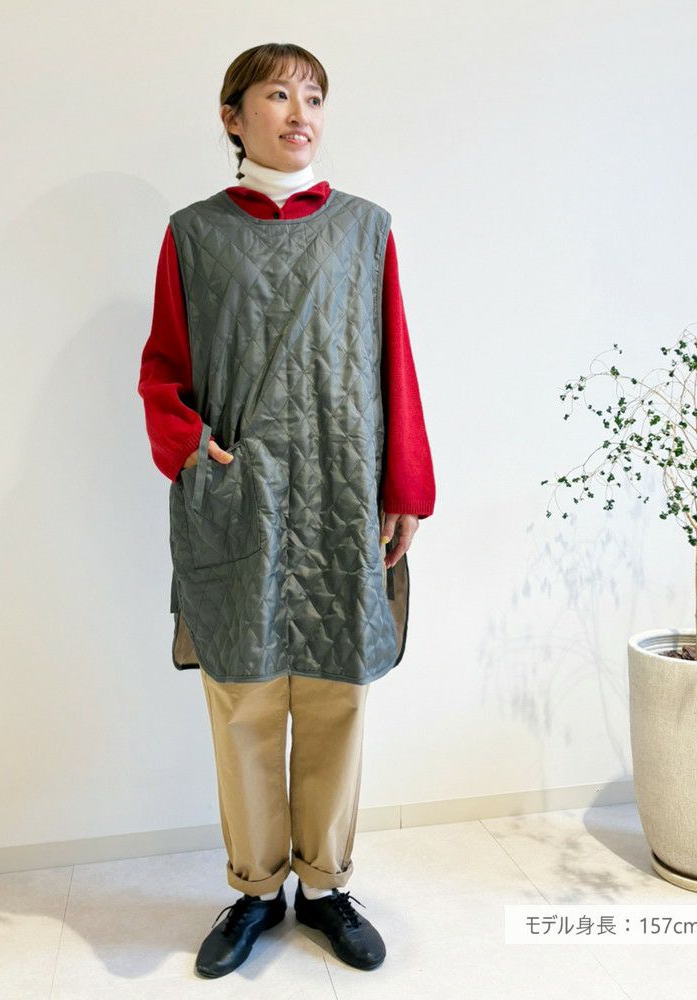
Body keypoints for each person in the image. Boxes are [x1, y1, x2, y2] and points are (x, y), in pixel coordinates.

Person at [137, 42, 435, 979]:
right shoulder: (193, 235)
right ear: (234, 118)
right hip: (244, 501)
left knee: (338, 695)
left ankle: (328, 885)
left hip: (344, 494)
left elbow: (395, 361)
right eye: (277, 94)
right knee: (246, 700)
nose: (300, 112)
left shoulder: (365, 229)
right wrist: (192, 446)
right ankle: (256, 889)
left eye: (314, 96)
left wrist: (407, 486)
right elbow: (164, 368)